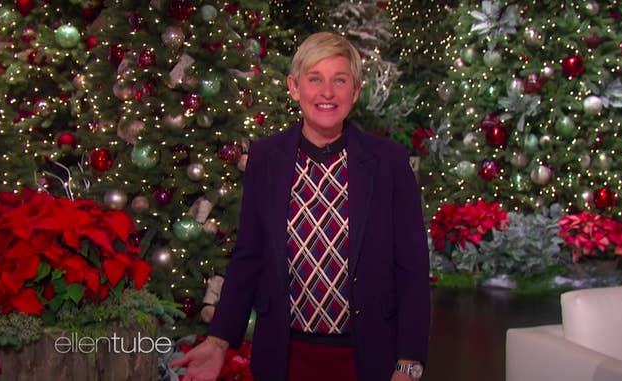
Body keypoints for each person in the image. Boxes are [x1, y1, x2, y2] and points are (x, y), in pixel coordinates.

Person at [171, 31, 430, 381]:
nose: (327, 93)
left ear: (354, 91)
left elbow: (412, 268)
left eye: (340, 80)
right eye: (315, 79)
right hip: (284, 357)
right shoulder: (266, 158)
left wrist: (409, 364)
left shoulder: (388, 162)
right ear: (294, 87)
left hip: (368, 358)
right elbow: (249, 255)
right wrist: (219, 341)